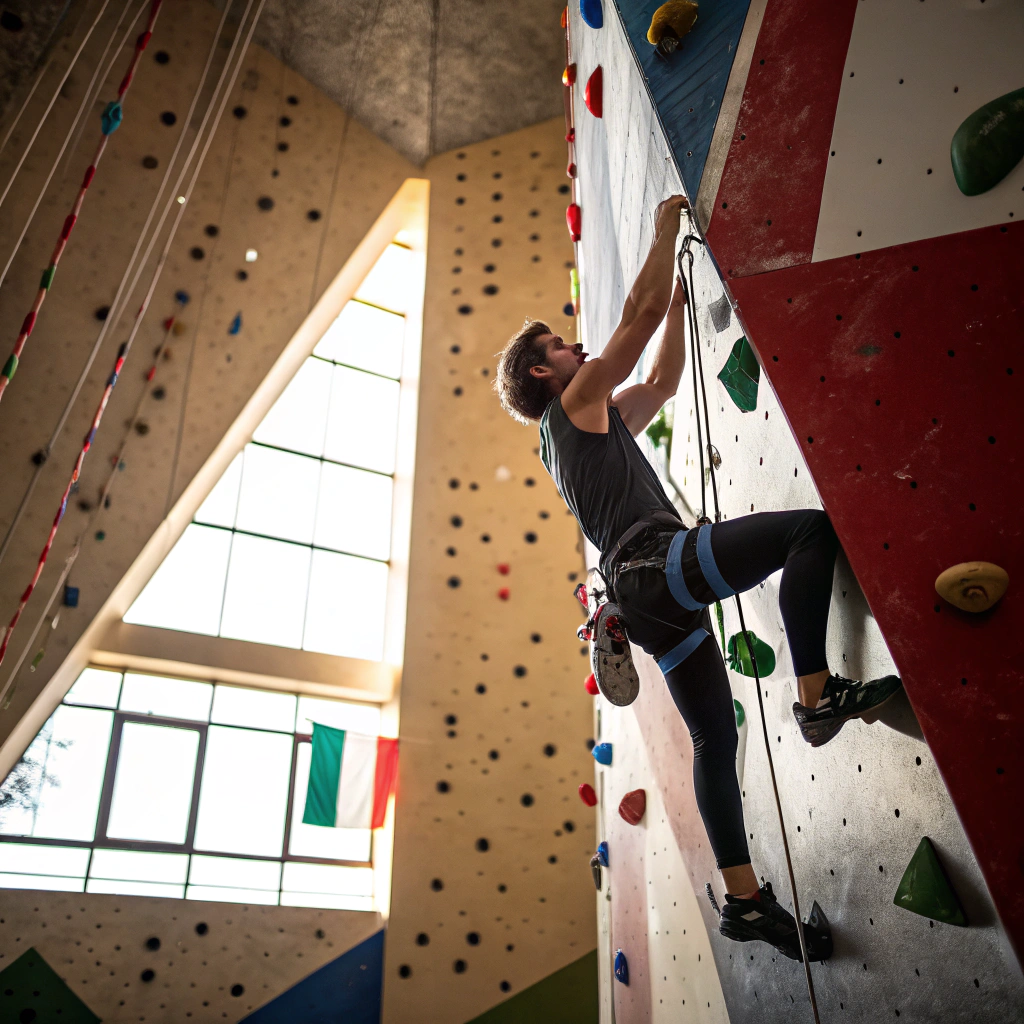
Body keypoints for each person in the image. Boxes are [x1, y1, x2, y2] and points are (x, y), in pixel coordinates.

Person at [493, 194, 901, 961]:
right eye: (560, 344)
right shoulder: (571, 407)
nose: (576, 346)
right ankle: (816, 696)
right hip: (655, 569)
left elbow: (662, 379)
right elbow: (634, 319)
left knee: (715, 736)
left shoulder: (587, 427)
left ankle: (744, 902)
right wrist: (662, 233)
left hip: (649, 604)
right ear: (545, 372)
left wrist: (679, 303)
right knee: (808, 531)